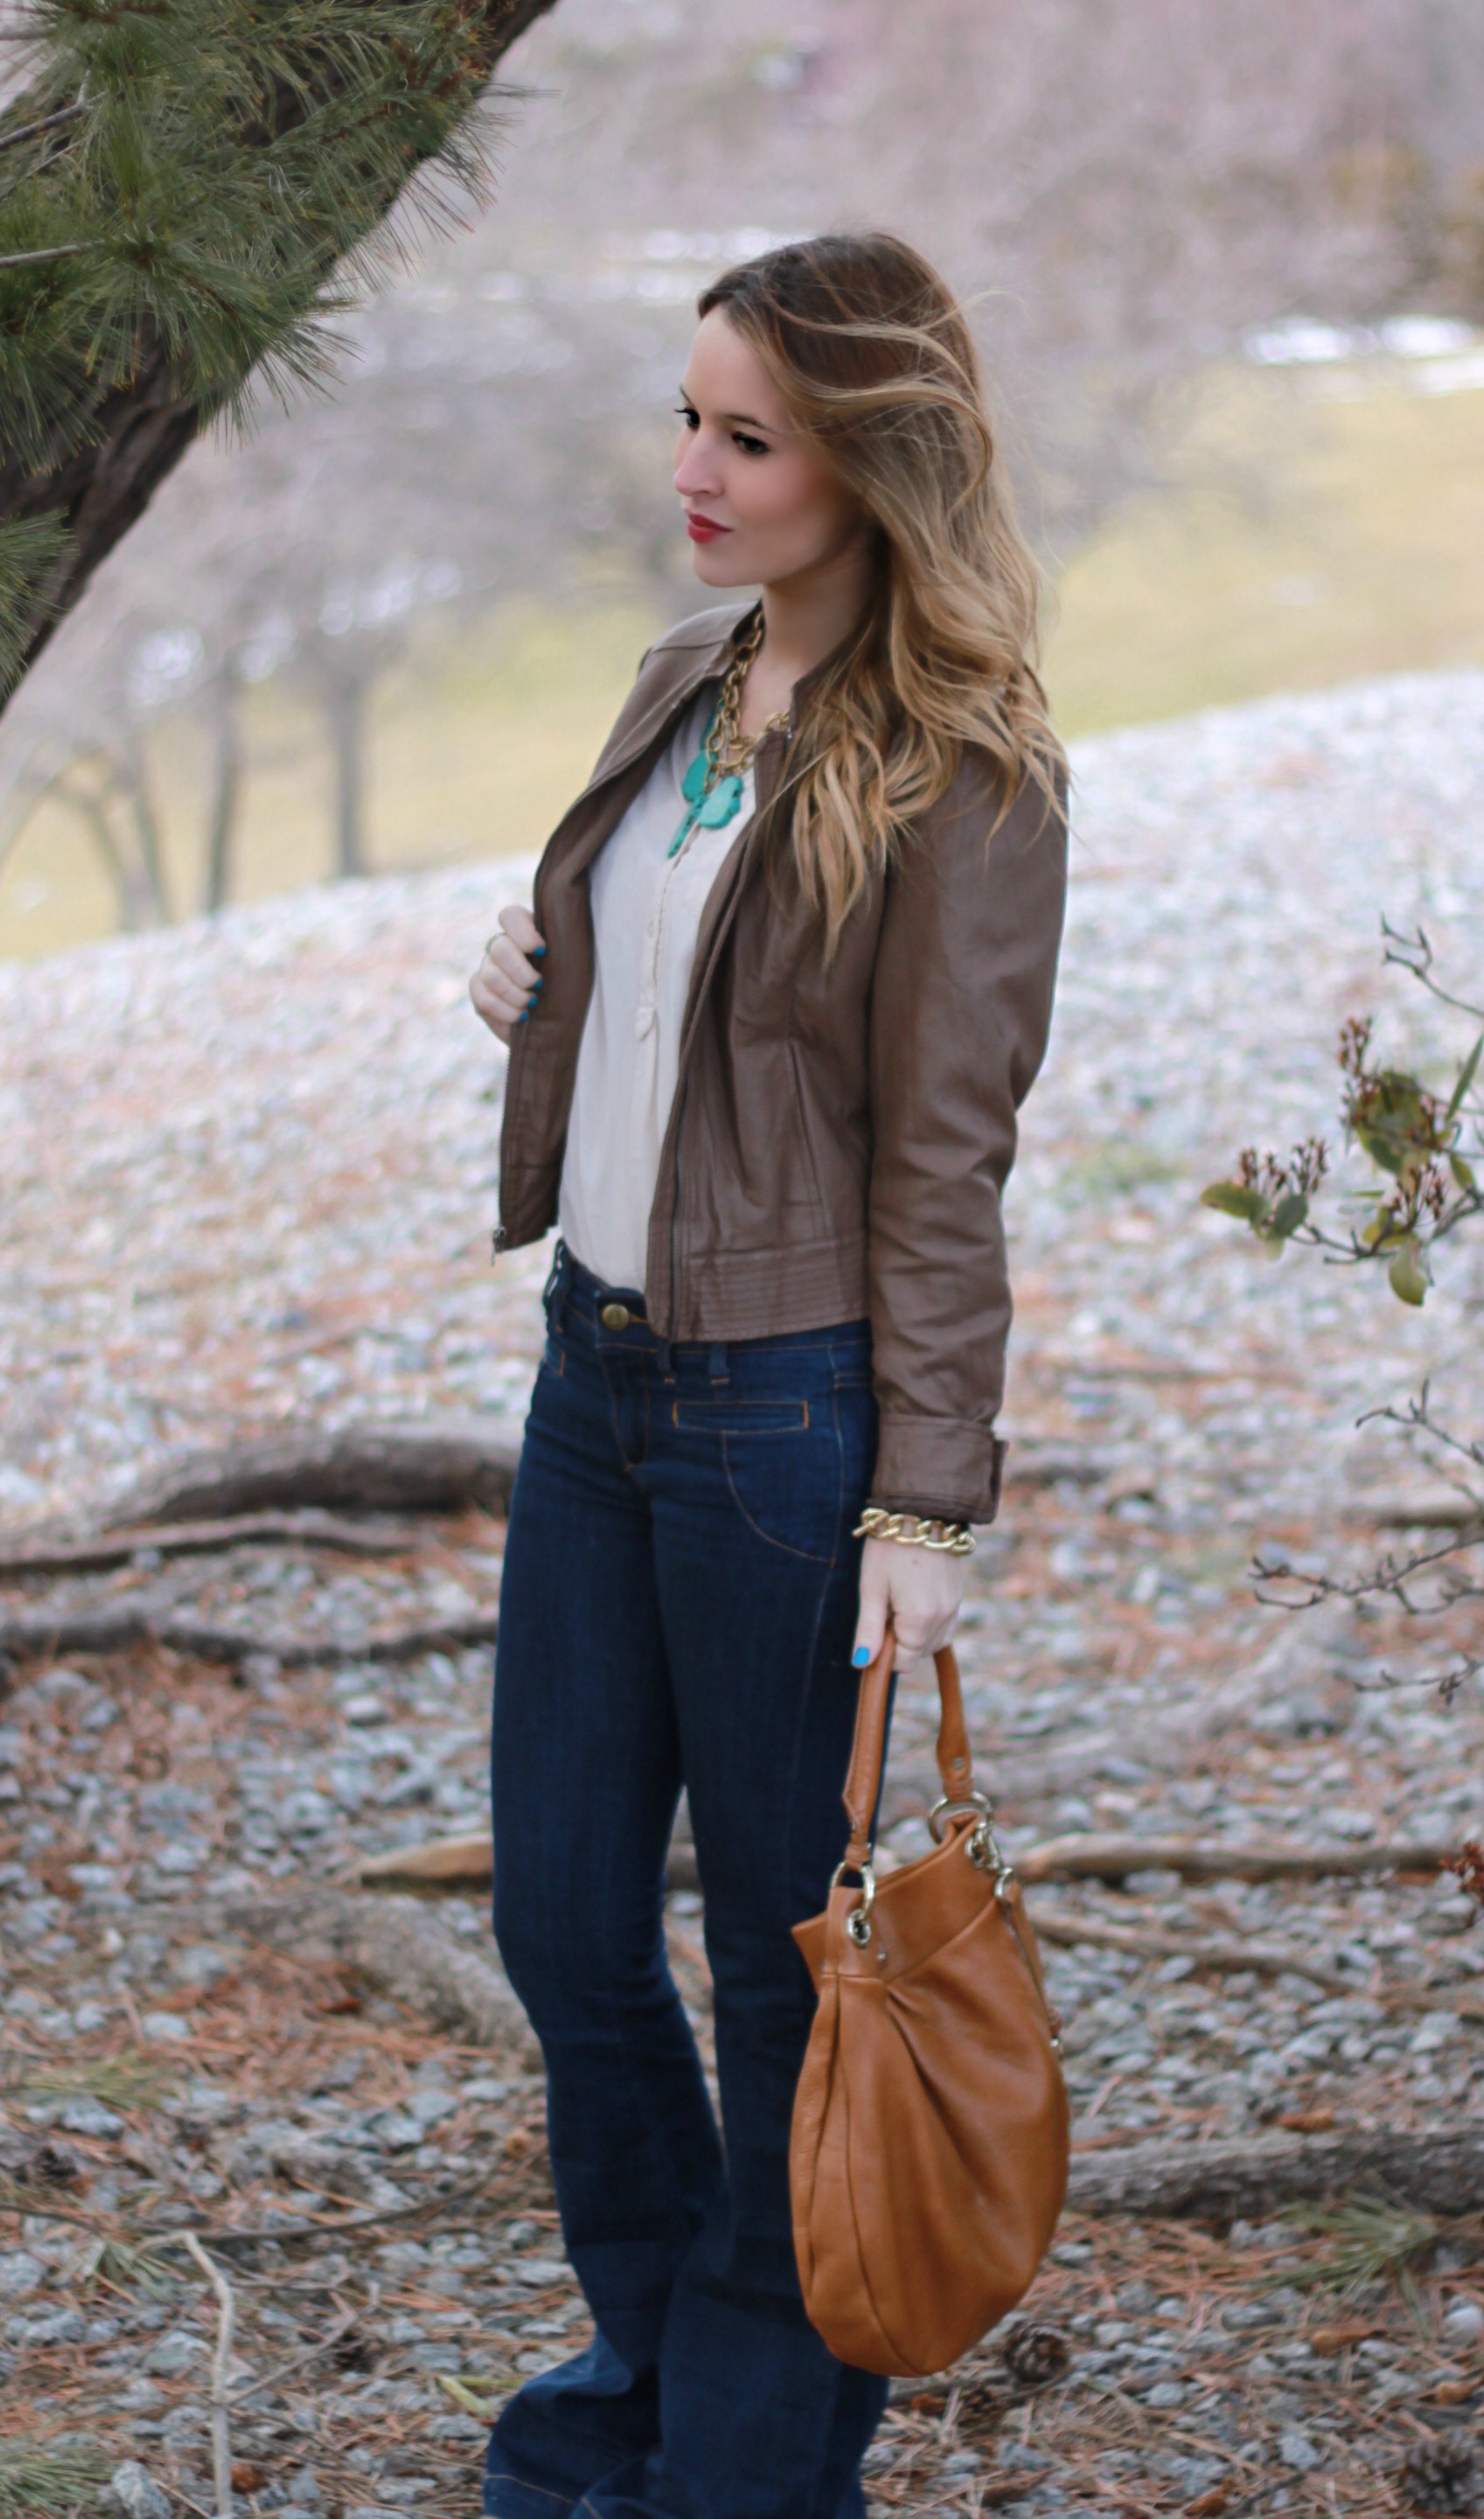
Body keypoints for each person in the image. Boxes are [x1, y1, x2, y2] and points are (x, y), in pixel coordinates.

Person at [466, 233, 1068, 2519]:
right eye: (685, 420)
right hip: (590, 1380)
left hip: (779, 1414)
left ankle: (733, 2463)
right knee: (555, 1921)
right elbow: (662, 1016)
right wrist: (535, 971)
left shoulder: (962, 769)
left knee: (777, 1964)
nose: (694, 472)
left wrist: (927, 1503)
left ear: (866, 461)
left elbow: (940, 1162)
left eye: (749, 436)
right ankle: (670, 2381)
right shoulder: (674, 675)